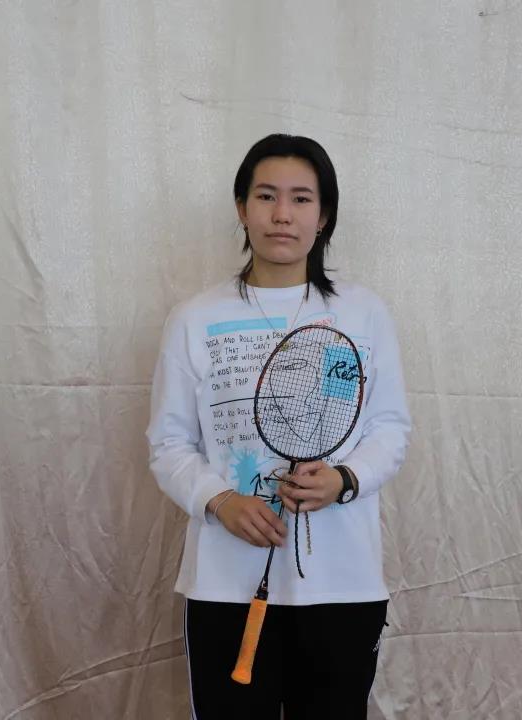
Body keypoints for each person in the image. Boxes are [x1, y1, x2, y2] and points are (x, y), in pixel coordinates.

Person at [146, 133, 411, 719]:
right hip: (225, 586)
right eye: (266, 196)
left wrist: (344, 480)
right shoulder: (195, 318)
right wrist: (220, 501)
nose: (282, 214)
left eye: (301, 198)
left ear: (324, 216)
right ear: (242, 209)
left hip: (344, 584)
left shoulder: (363, 314)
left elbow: (390, 428)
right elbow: (168, 443)